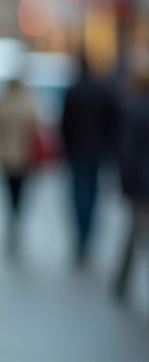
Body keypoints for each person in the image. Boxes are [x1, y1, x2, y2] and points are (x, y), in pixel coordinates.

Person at [60, 56, 119, 263]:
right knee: (92, 193)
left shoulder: (73, 91)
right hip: (97, 150)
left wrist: (66, 147)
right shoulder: (101, 91)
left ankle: (82, 234)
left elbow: (64, 123)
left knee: (78, 193)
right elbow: (113, 121)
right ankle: (87, 233)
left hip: (77, 150)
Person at [0, 78, 41, 255]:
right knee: (20, 192)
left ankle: (12, 218)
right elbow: (36, 122)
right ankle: (16, 218)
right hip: (23, 156)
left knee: (9, 191)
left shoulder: (1, 102)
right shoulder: (27, 101)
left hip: (5, 156)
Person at [115, 58, 149, 302]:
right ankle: (121, 282)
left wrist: (125, 183)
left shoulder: (134, 108)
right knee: (135, 232)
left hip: (141, 183)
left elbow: (127, 151)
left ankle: (121, 282)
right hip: (141, 181)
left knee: (137, 232)